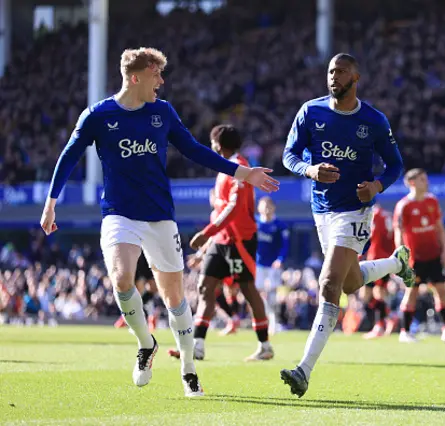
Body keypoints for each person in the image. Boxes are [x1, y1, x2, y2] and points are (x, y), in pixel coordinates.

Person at [39, 48, 279, 397]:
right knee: (121, 279)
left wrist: (244, 173)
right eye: (157, 75)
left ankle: (187, 368)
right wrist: (50, 203)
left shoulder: (162, 112)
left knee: (175, 299)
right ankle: (145, 344)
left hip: (160, 219)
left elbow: (195, 149)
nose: (162, 82)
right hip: (119, 214)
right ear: (136, 77)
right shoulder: (98, 115)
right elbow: (69, 156)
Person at [279, 53, 414, 398]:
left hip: (355, 210)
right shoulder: (311, 111)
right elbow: (289, 155)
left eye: (340, 71)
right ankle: (397, 263)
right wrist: (309, 170)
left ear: (356, 77)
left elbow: (395, 165)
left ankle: (304, 370)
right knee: (352, 283)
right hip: (321, 210)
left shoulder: (373, 120)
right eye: (329, 71)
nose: (333, 76)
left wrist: (377, 186)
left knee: (329, 283)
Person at [176, 124, 275, 362]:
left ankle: (265, 345)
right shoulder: (225, 168)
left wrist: (207, 232)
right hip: (221, 239)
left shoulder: (239, 167)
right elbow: (222, 208)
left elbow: (234, 207)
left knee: (248, 290)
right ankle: (197, 345)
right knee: (205, 287)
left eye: (212, 144)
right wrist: (208, 243)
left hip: (240, 239)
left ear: (217, 145)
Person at [393, 169, 445, 343]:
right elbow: (398, 232)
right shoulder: (404, 206)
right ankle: (405, 332)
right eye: (422, 179)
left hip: (433, 255)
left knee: (441, 291)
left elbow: (440, 228)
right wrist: (400, 257)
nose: (426, 182)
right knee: (411, 293)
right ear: (412, 182)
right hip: (415, 258)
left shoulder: (432, 201)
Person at [256, 196, 289, 333]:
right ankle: (264, 319)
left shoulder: (280, 226)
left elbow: (285, 245)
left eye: (269, 205)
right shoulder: (254, 223)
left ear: (274, 207)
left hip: (273, 266)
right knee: (257, 292)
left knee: (272, 294)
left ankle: (274, 321)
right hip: (258, 264)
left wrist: (280, 260)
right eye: (264, 205)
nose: (267, 208)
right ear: (259, 207)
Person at [361, 203, 395, 339]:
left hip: (376, 258)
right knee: (368, 293)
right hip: (386, 258)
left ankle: (380, 325)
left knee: (377, 292)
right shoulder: (387, 215)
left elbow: (370, 236)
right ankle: (389, 317)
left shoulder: (373, 215)